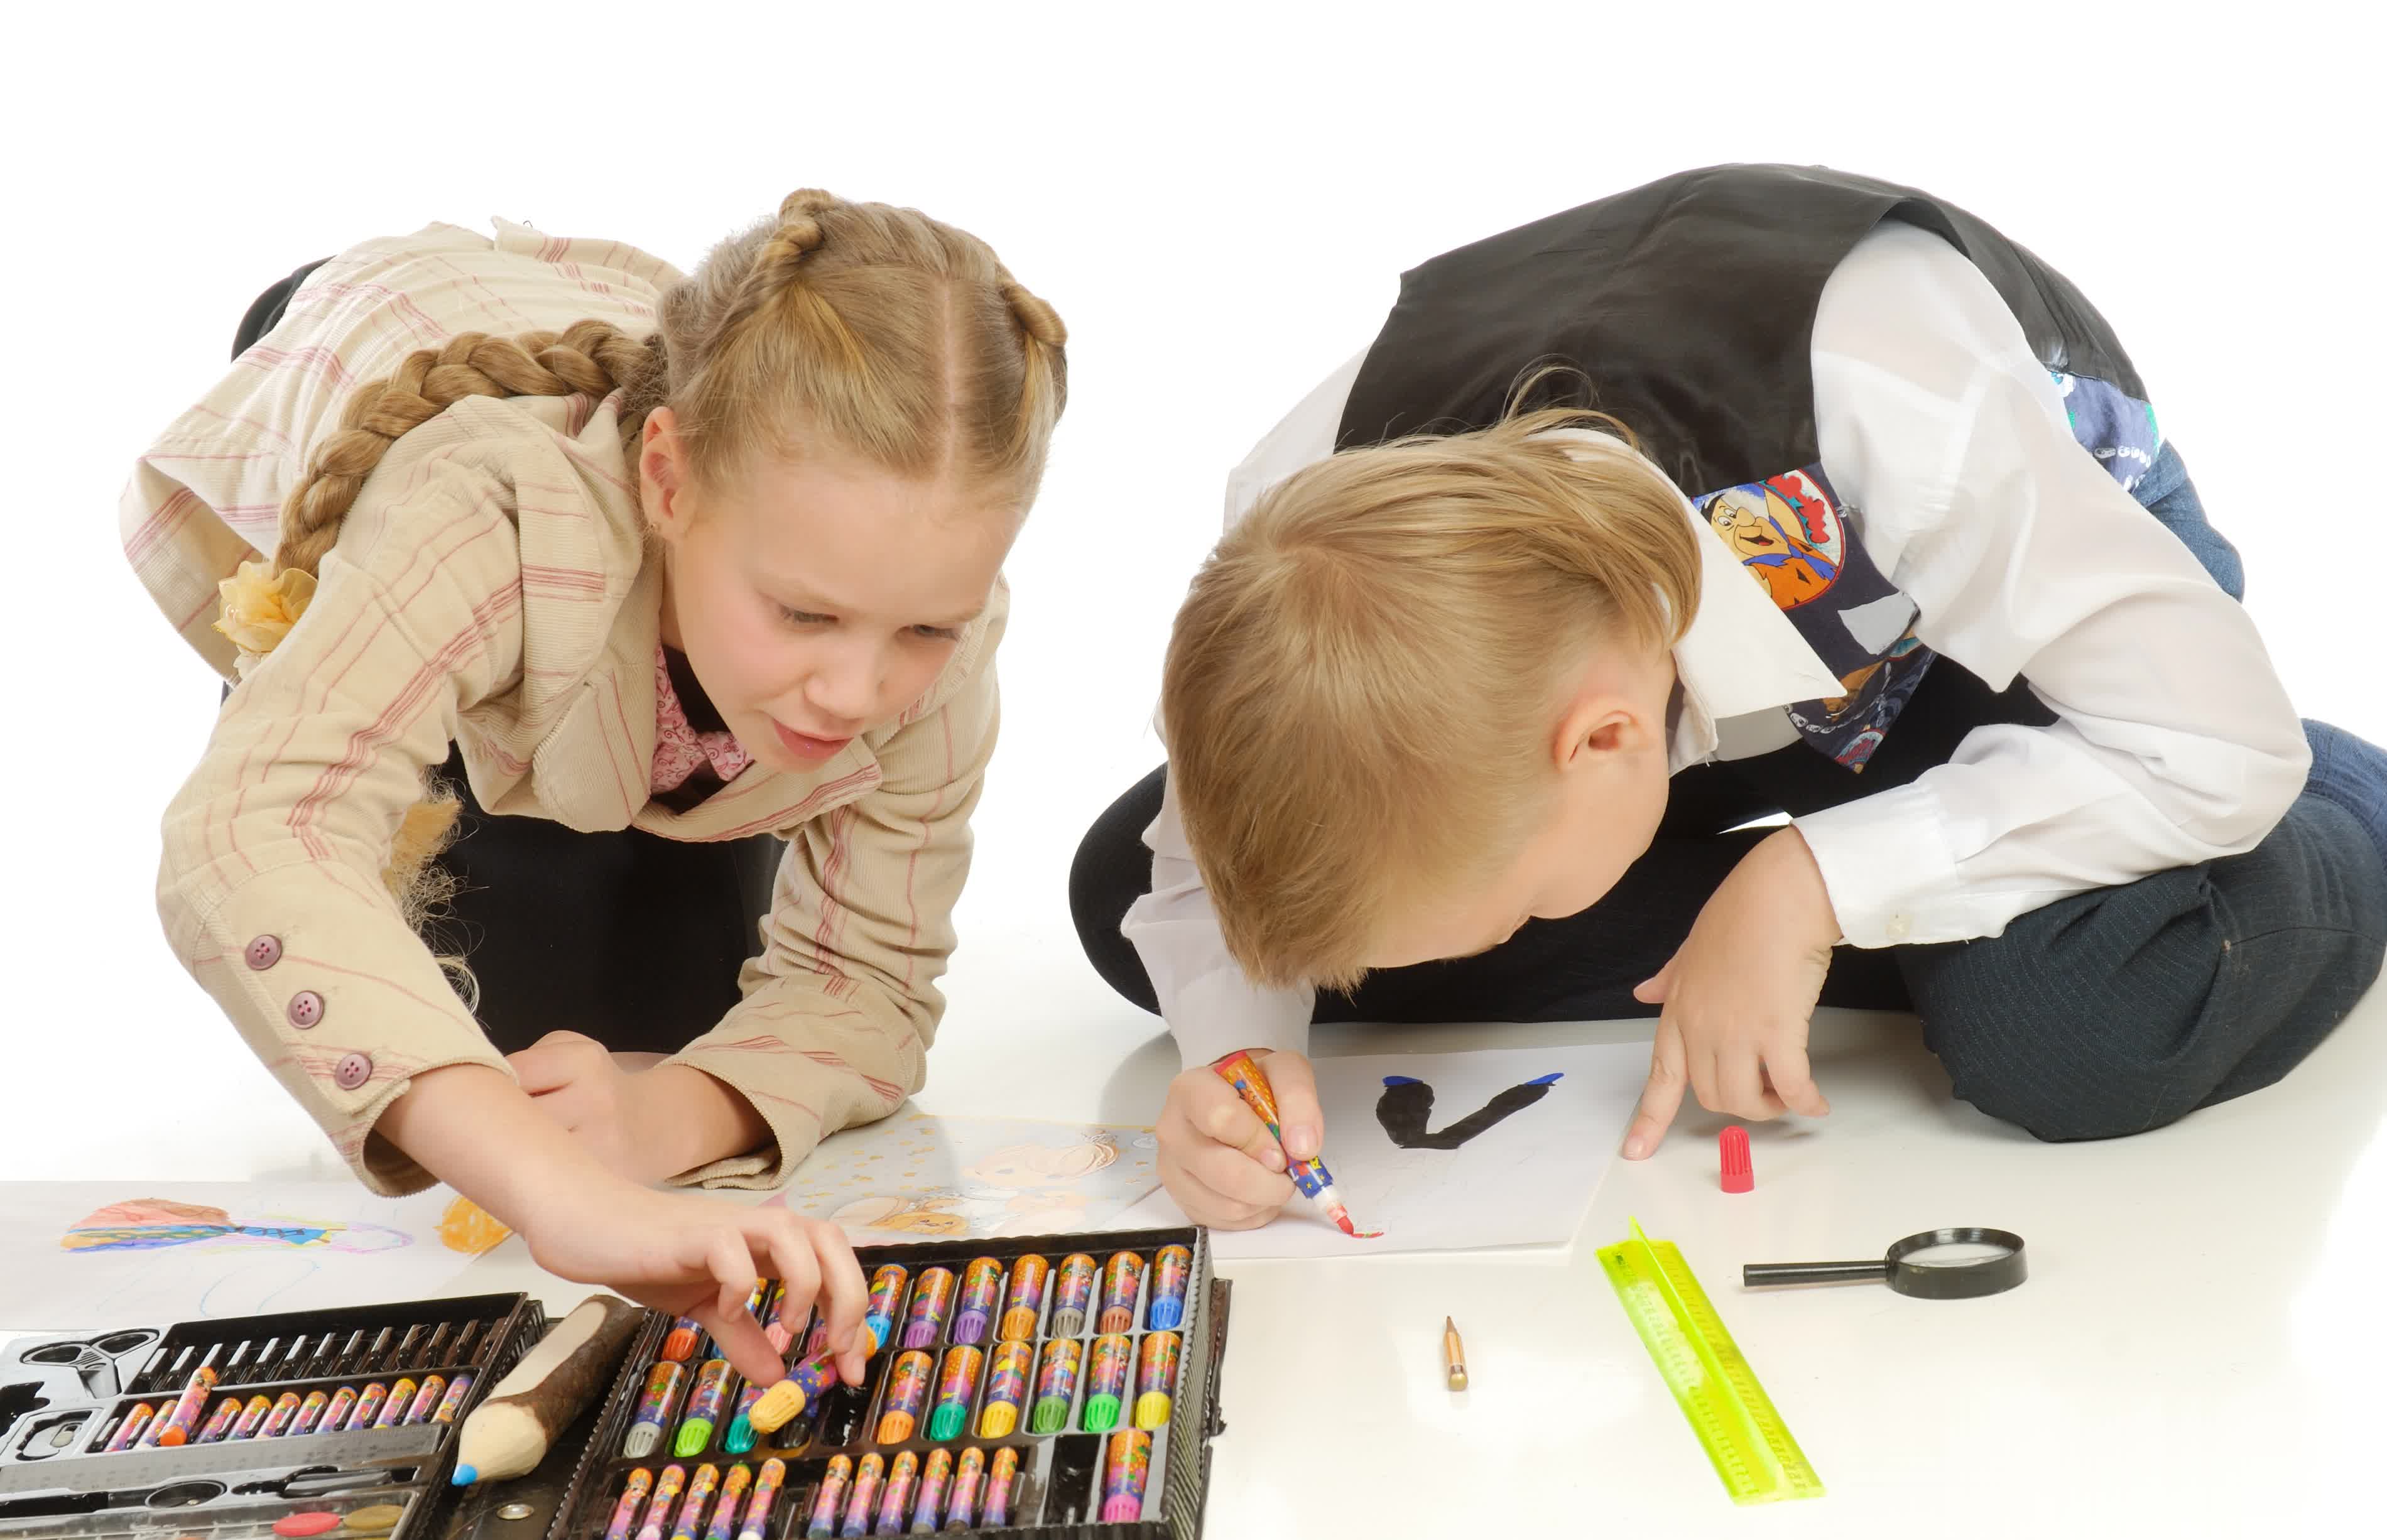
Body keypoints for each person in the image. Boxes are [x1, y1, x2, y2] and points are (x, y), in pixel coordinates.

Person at [1067, 163, 2387, 1231]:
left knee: (2067, 1027)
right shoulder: (1297, 537)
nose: (1486, 946)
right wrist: (1239, 1054)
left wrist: (1810, 881)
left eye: (1516, 913)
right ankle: (1873, 926)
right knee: (1135, 894)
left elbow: (2216, 742)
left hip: (1994, 624)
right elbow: (1196, 877)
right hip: (1690, 653)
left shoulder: (1909, 426)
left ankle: (2347, 803)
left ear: (1605, 742)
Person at [124, 191, 1067, 1375]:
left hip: (638, 476)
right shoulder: (486, 513)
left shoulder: (917, 606)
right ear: (668, 483)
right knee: (487, 1069)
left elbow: (866, 978)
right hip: (413, 392)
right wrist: (566, 1200)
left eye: (924, 628)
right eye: (804, 613)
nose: (854, 693)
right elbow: (255, 833)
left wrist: (662, 1114)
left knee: (642, 1056)